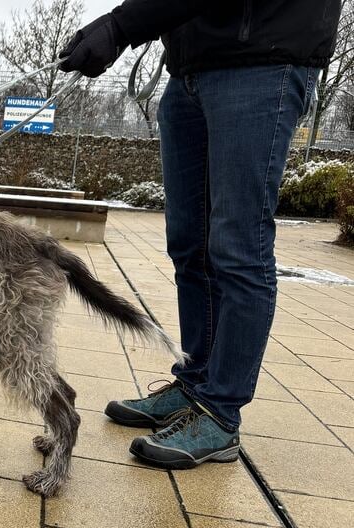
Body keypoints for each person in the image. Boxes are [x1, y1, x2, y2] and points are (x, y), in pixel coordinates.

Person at [58, 0, 342, 468]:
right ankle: (194, 386)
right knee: (190, 246)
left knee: (238, 247)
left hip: (262, 61)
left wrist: (121, 25)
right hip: (190, 67)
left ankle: (220, 413)